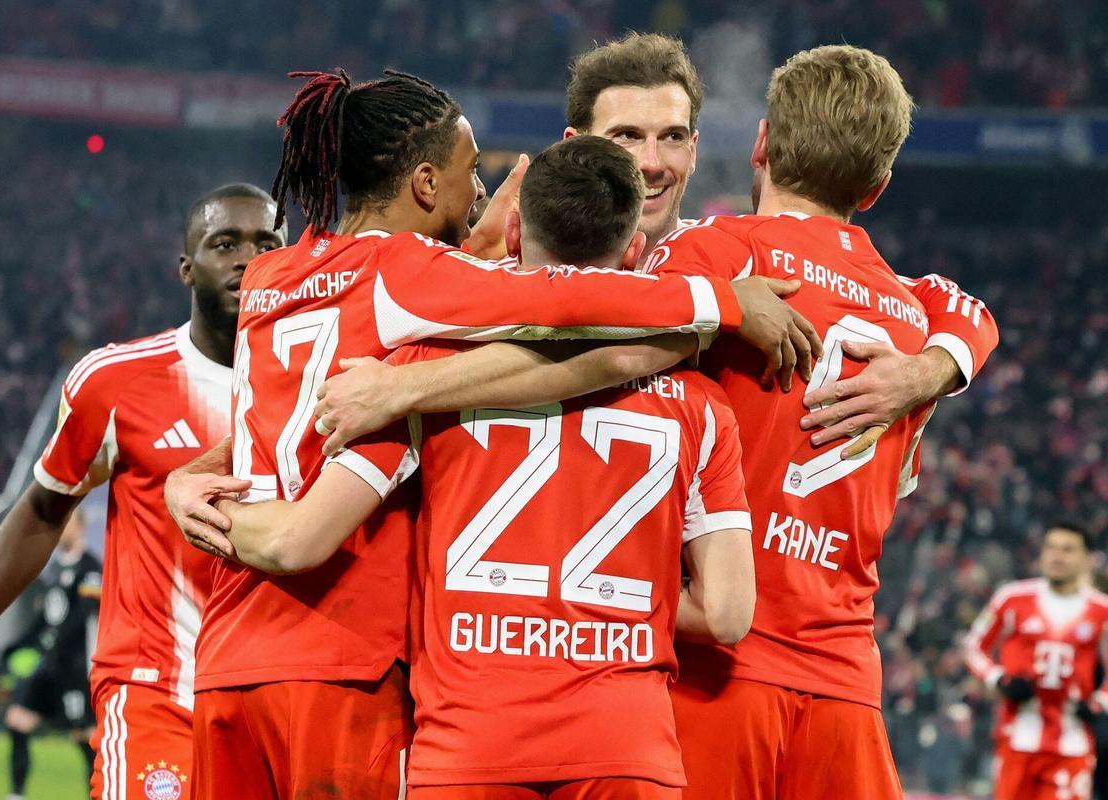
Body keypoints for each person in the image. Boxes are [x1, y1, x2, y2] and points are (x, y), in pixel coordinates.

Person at [307, 45, 1002, 800]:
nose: (650, 162)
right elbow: (958, 307)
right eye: (626, 139)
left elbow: (612, 351)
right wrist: (938, 360)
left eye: (671, 137)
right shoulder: (893, 308)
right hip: (794, 679)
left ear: (746, 145)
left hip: (674, 688)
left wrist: (403, 389)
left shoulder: (707, 263)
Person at [165, 69, 818, 800]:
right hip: (351, 654)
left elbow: (280, 417)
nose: (478, 191)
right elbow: (563, 304)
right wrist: (721, 303)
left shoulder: (270, 278)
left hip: (231, 649)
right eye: (471, 172)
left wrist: (185, 479)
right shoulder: (416, 292)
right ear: (424, 182)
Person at [0, 183, 285, 800]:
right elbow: (41, 512)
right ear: (187, 268)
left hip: (284, 700)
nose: (249, 259)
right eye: (226, 244)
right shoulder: (117, 381)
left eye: (267, 244)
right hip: (159, 694)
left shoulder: (325, 383)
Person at [964, 523, 1108, 800]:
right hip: (1016, 736)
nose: (1056, 556)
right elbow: (973, 645)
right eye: (1051, 548)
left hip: (1073, 741)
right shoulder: (1012, 598)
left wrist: (1100, 702)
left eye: (1067, 550)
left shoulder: (1101, 610)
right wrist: (998, 679)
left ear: (1088, 559)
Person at [4, 509, 101, 800]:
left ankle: (101, 794)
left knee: (86, 737)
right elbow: (46, 618)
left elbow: (83, 616)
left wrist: (52, 641)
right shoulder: (54, 569)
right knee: (17, 720)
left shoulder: (91, 569)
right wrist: (17, 644)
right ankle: (16, 795)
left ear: (80, 527)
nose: (59, 529)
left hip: (76, 670)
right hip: (50, 666)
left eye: (66, 523)